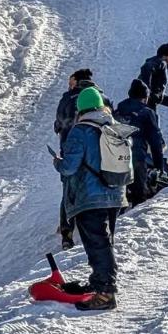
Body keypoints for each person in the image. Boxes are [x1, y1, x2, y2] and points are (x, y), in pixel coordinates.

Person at [54, 87, 128, 311]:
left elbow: (69, 167)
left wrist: (58, 161)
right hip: (115, 194)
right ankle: (100, 284)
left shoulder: (81, 131)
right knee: (105, 242)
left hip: (90, 196)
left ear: (80, 109)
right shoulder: (113, 127)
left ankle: (105, 293)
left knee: (97, 244)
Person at [54, 69, 112, 250]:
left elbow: (58, 124)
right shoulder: (104, 99)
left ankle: (67, 233)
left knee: (69, 190)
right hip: (98, 153)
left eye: (71, 82)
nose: (69, 85)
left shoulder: (67, 99)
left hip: (70, 151)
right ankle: (105, 226)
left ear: (78, 82)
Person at [114, 79, 166, 207]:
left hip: (115, 158)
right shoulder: (147, 113)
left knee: (118, 196)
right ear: (145, 97)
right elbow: (155, 142)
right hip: (136, 158)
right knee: (139, 198)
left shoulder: (117, 112)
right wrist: (159, 167)